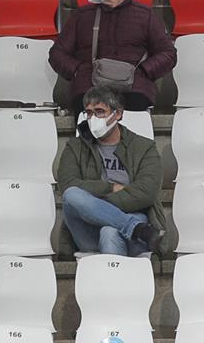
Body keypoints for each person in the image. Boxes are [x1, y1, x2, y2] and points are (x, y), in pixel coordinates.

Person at [48, 0, 176, 113]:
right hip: (89, 88)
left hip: (134, 89)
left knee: (133, 120)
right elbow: (57, 53)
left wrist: (143, 71)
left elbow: (168, 53)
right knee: (90, 121)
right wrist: (78, 70)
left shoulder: (145, 16)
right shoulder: (81, 16)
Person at [54, 85, 167, 258]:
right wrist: (110, 187)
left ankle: (114, 283)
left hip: (133, 225)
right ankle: (134, 228)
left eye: (99, 112)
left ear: (118, 114)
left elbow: (146, 192)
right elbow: (68, 185)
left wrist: (95, 205)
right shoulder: (75, 147)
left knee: (109, 231)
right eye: (89, 113)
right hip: (88, 229)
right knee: (72, 195)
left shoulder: (144, 147)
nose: (93, 118)